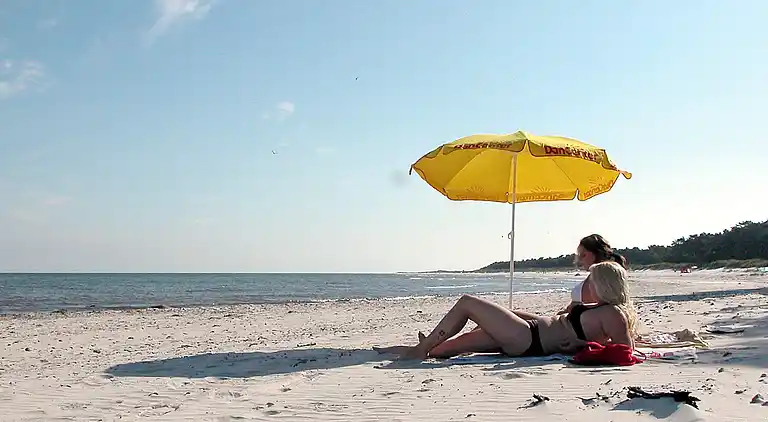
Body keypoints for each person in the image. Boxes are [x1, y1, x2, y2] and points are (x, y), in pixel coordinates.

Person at [374, 260, 637, 360]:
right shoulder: (597, 308)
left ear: (603, 285)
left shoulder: (613, 313)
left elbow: (625, 353)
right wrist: (519, 314)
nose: (585, 284)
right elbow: (558, 324)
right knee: (446, 349)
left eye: (590, 280)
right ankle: (410, 349)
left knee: (467, 302)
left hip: (528, 339)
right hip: (529, 332)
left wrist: (581, 346)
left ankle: (421, 348)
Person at [558, 234, 629, 315]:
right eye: (579, 255)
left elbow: (604, 307)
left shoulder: (604, 277)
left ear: (596, 253)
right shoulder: (594, 274)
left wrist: (576, 310)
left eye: (583, 255)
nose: (580, 260)